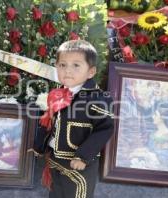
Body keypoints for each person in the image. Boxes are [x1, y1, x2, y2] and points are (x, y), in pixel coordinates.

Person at [30, 40, 115, 198]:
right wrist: (39, 145)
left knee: (75, 194)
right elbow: (49, 121)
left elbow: (104, 129)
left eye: (76, 65)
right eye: (62, 65)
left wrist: (83, 156)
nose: (68, 70)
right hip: (55, 159)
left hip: (78, 164)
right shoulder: (58, 94)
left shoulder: (96, 98)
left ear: (91, 72)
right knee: (56, 192)